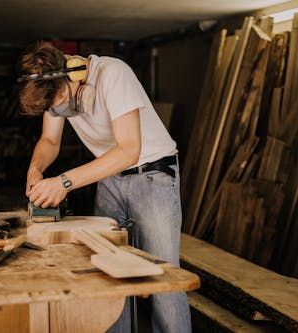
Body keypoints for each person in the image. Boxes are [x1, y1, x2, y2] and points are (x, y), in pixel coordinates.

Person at [17, 42, 191, 333]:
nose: (59, 110)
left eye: (59, 100)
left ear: (73, 73)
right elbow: (49, 141)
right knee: (109, 273)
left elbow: (128, 151)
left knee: (163, 279)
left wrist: (64, 183)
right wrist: (36, 169)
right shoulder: (53, 85)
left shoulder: (113, 74)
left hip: (151, 174)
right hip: (109, 176)